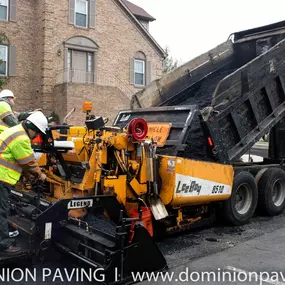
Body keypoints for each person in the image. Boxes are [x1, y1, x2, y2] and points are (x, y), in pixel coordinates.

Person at [0, 111, 48, 255]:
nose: (35, 137)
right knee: (1, 211)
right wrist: (40, 175)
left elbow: (18, 160)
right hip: (2, 178)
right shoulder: (21, 138)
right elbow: (28, 162)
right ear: (32, 128)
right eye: (37, 133)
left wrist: (27, 176)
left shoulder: (14, 131)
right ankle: (4, 245)